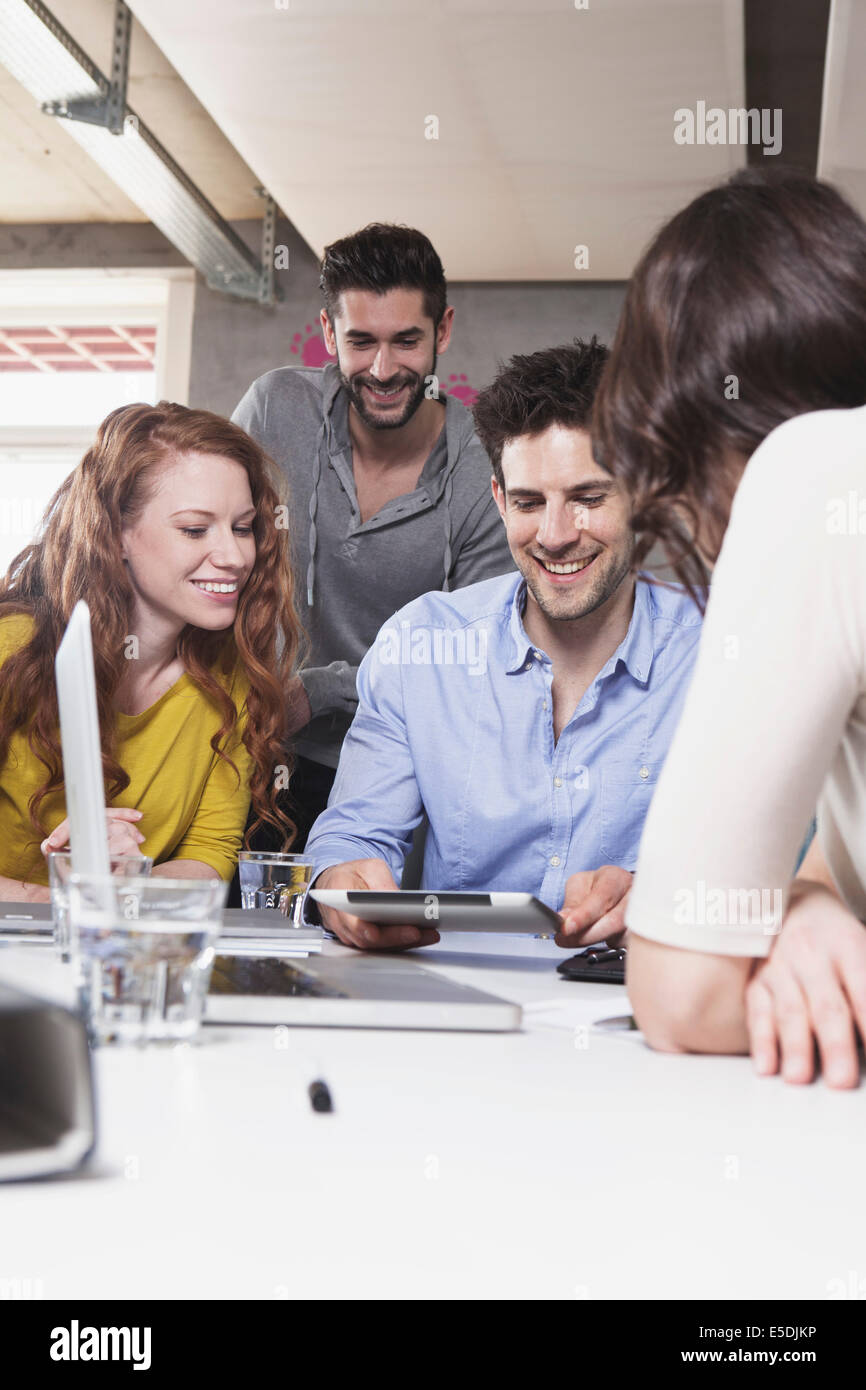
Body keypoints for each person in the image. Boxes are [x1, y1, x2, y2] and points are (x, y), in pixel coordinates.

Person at [591, 168, 866, 1089]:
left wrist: (754, 925)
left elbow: (684, 993)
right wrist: (806, 910)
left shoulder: (816, 470)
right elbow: (842, 856)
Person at [304, 339, 704, 950]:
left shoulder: (717, 656)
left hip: (639, 1010)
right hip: (457, 1004)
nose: (554, 535)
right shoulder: (419, 648)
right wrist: (345, 887)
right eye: (528, 502)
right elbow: (352, 837)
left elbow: (772, 872)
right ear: (498, 499)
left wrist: (664, 895)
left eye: (588, 499)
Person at [232, 223, 514, 847]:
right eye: (360, 342)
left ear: (442, 330)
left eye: (406, 341)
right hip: (249, 754)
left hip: (396, 767)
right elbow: (206, 548)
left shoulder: (486, 468)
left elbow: (475, 655)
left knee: (363, 939)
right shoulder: (275, 409)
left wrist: (319, 688)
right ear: (329, 332)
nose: (383, 369)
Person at [0, 401, 301, 900]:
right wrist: (70, 897)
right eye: (194, 529)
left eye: (243, 527)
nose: (234, 557)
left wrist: (121, 885)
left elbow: (210, 854)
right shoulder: (12, 648)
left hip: (122, 951)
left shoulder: (234, 676)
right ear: (116, 533)